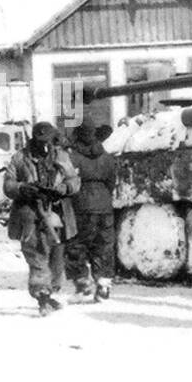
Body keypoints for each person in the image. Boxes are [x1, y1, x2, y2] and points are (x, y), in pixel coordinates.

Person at [4, 121, 81, 316]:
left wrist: (63, 188)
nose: (44, 145)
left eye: (47, 141)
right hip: (29, 214)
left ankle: (50, 291)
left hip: (58, 212)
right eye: (40, 141)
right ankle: (42, 297)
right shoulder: (20, 158)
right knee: (37, 255)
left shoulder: (62, 156)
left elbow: (74, 180)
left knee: (57, 256)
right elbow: (8, 184)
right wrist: (23, 189)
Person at [65, 120, 117, 302]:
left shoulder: (72, 158)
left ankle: (82, 284)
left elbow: (66, 182)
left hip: (81, 204)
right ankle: (103, 286)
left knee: (77, 244)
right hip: (105, 205)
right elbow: (112, 183)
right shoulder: (107, 157)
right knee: (103, 245)